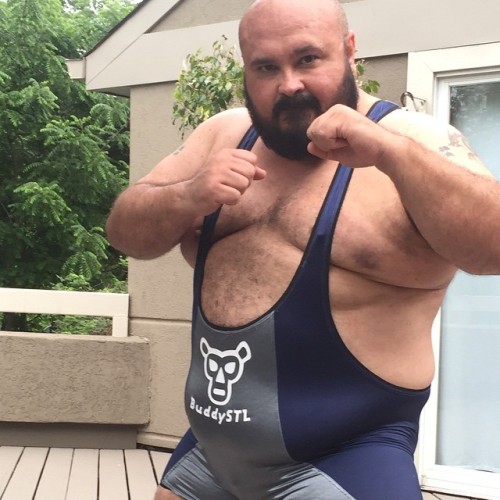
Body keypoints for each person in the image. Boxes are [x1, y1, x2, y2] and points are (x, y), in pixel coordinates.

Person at [106, 0, 500, 498]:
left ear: (350, 51)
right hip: (209, 455)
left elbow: (492, 250)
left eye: (308, 59)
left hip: (342, 461)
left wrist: (389, 153)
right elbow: (125, 234)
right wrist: (187, 196)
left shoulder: (414, 140)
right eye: (266, 67)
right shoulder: (224, 135)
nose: (289, 83)